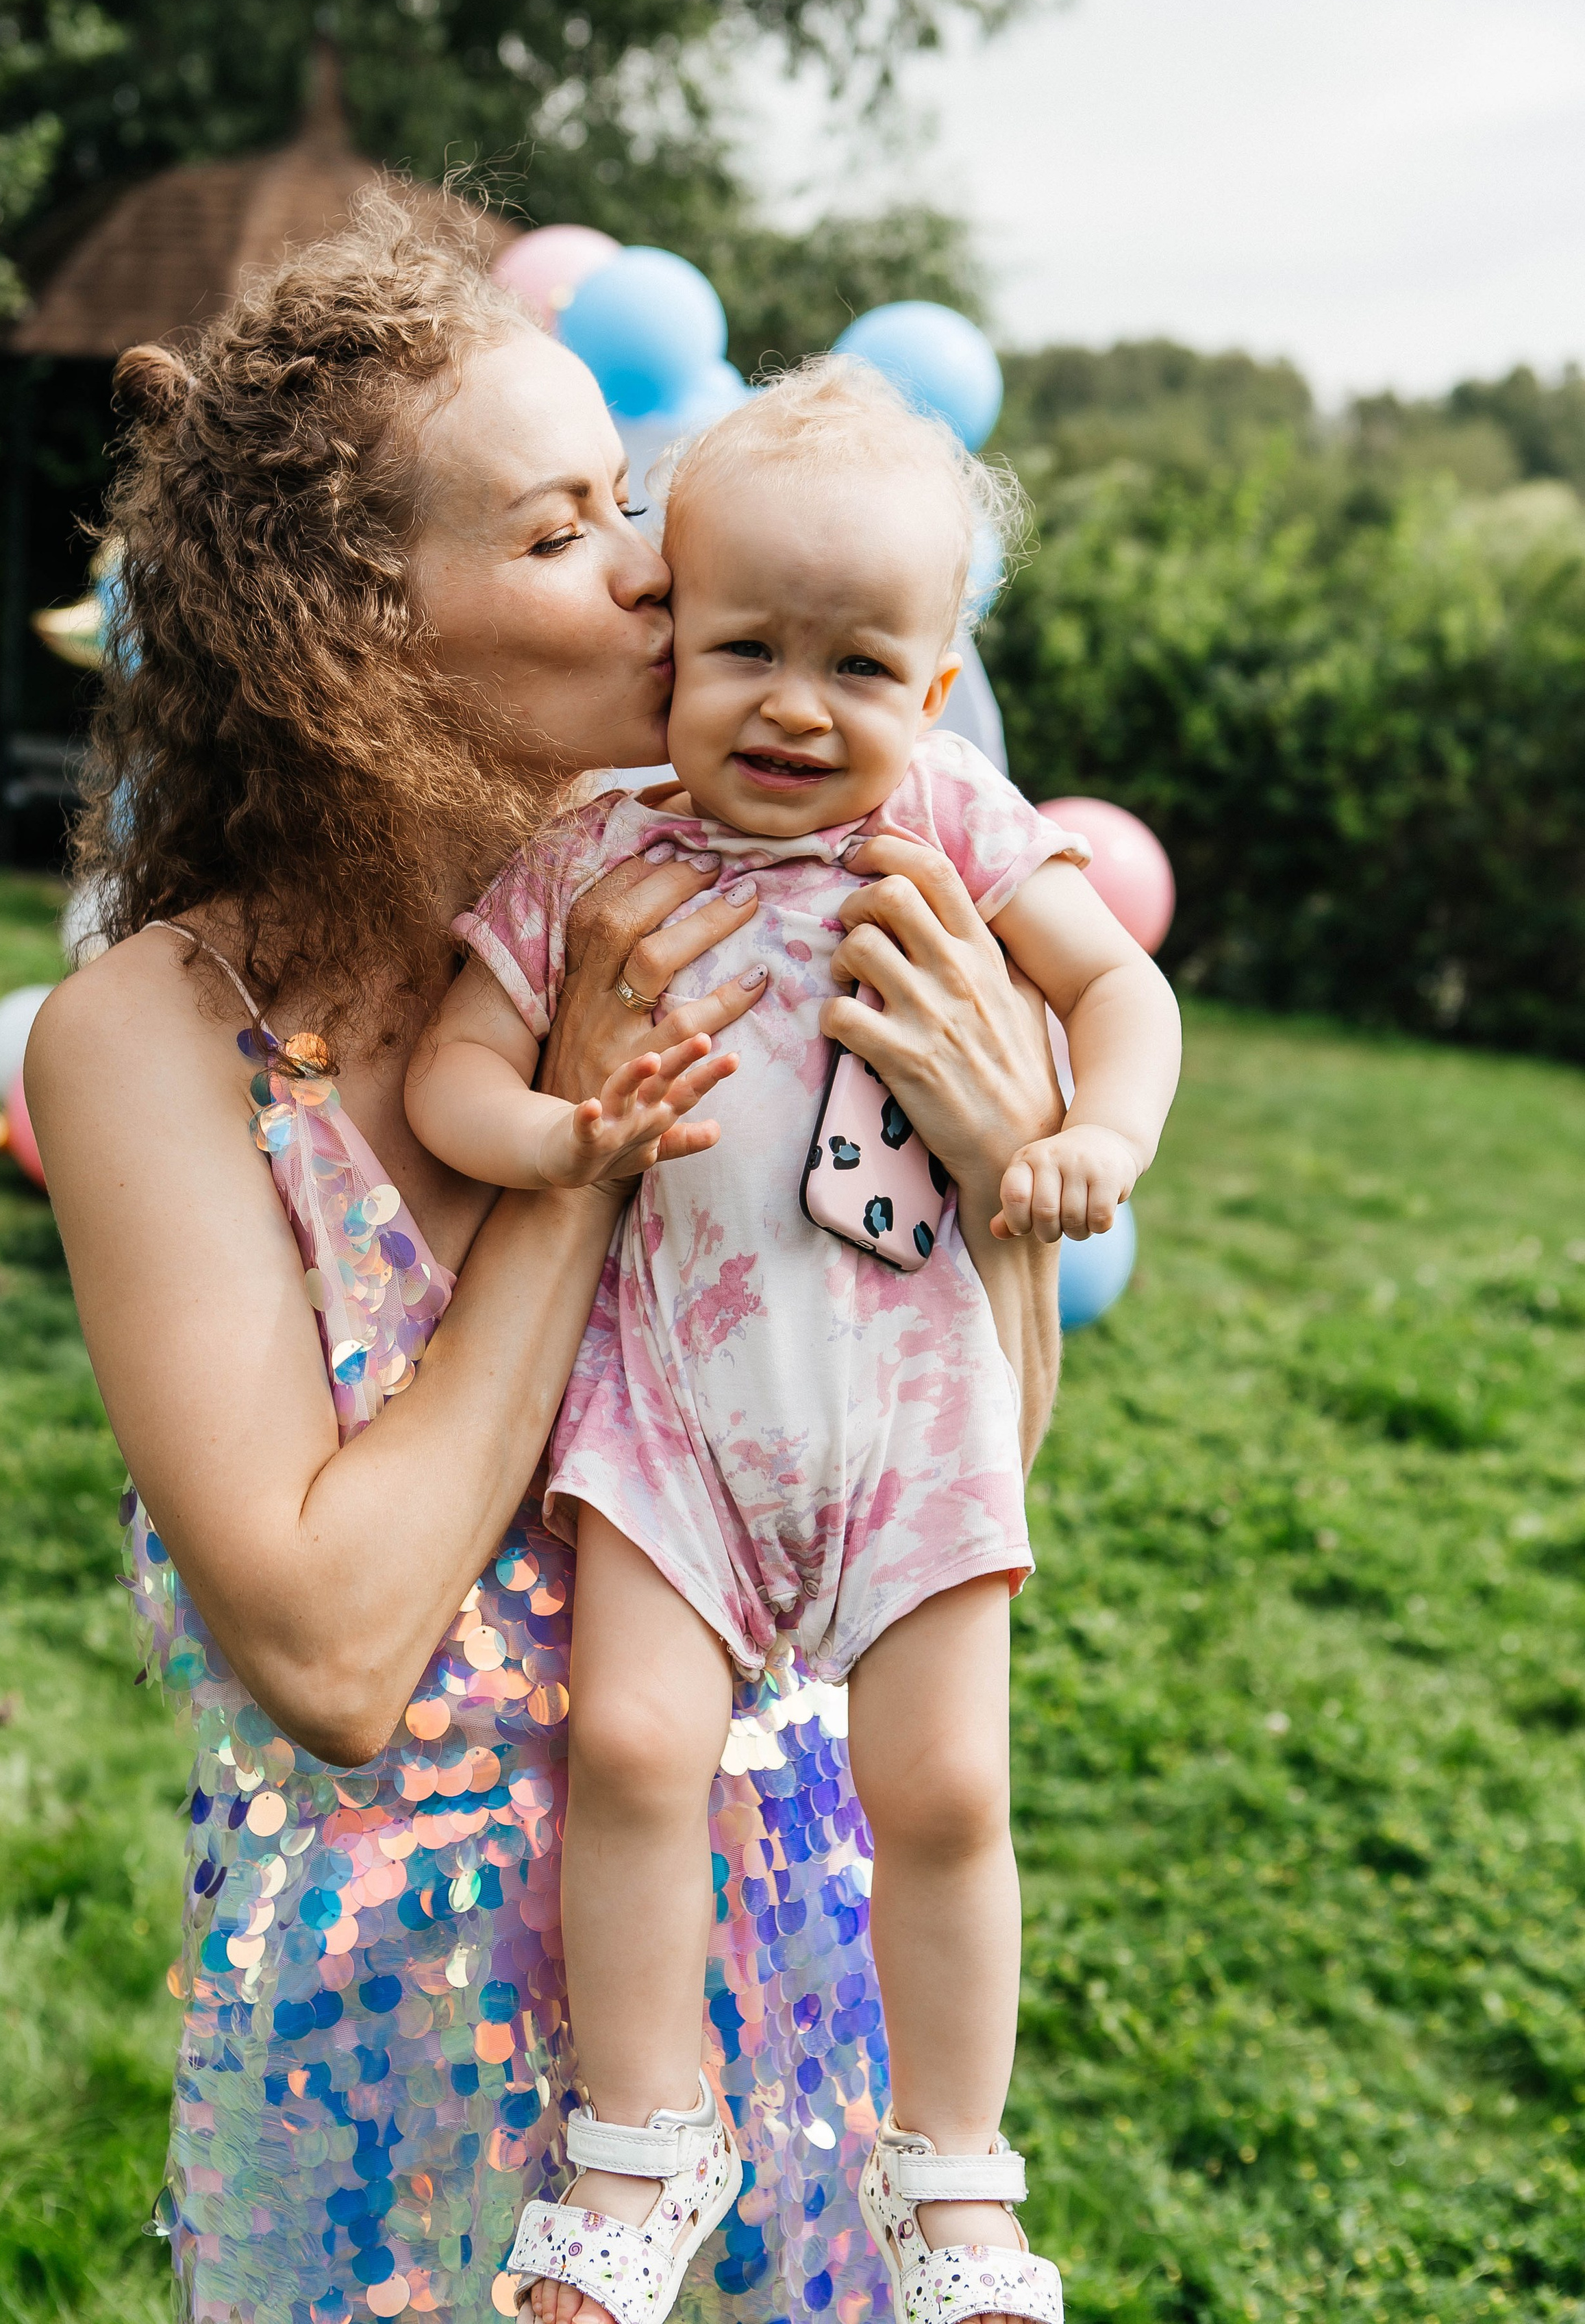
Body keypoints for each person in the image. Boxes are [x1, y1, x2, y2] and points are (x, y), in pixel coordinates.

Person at [24, 197, 1069, 2324]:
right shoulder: (152, 1037)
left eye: (639, 502)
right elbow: (335, 1649)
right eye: (567, 530)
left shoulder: (757, 886)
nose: (662, 571)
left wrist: (997, 1174)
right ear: (352, 633)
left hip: (776, 1968)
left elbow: (949, 1473)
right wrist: (576, 1168)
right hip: (386, 2057)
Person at [406, 361, 1181, 2324]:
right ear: (671, 639)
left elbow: (1123, 992)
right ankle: (641, 2141)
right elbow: (448, 1079)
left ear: (933, 694)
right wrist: (559, 1135)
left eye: (859, 666)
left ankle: (954, 2183)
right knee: (640, 1748)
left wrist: (1098, 1133)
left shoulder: (952, 822)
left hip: (912, 1411)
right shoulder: (597, 854)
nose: (793, 704)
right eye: (746, 645)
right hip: (674, 1405)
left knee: (945, 1795)